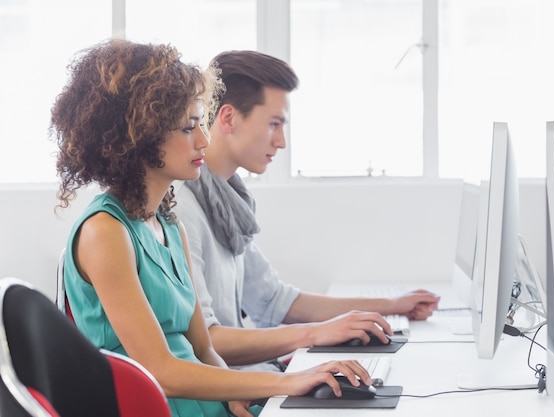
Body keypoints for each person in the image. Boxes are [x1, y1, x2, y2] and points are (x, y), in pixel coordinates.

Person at [50, 39, 372, 417]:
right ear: (141, 135)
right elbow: (161, 371)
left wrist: (237, 396)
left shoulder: (171, 228)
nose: (204, 140)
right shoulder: (104, 232)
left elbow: (205, 351)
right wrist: (287, 382)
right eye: (189, 128)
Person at [174, 50, 441, 371]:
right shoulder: (182, 205)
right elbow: (204, 343)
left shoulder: (228, 204)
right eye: (274, 124)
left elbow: (275, 300)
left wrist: (391, 306)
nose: (282, 141)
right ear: (228, 118)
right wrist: (315, 334)